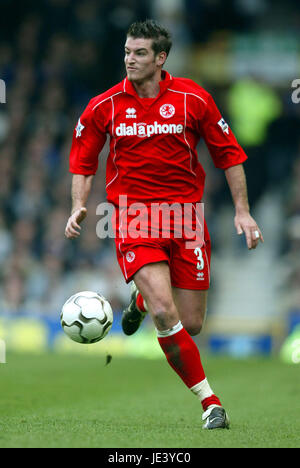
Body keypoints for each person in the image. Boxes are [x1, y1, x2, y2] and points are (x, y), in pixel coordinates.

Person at [65, 19, 264, 430]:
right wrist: (78, 206)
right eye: (126, 52)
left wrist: (242, 210)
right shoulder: (105, 106)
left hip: (187, 219)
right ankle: (211, 403)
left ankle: (138, 302)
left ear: (160, 58)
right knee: (164, 312)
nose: (129, 60)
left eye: (139, 53)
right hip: (135, 219)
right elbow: (84, 161)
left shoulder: (194, 99)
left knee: (189, 323)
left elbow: (230, 155)